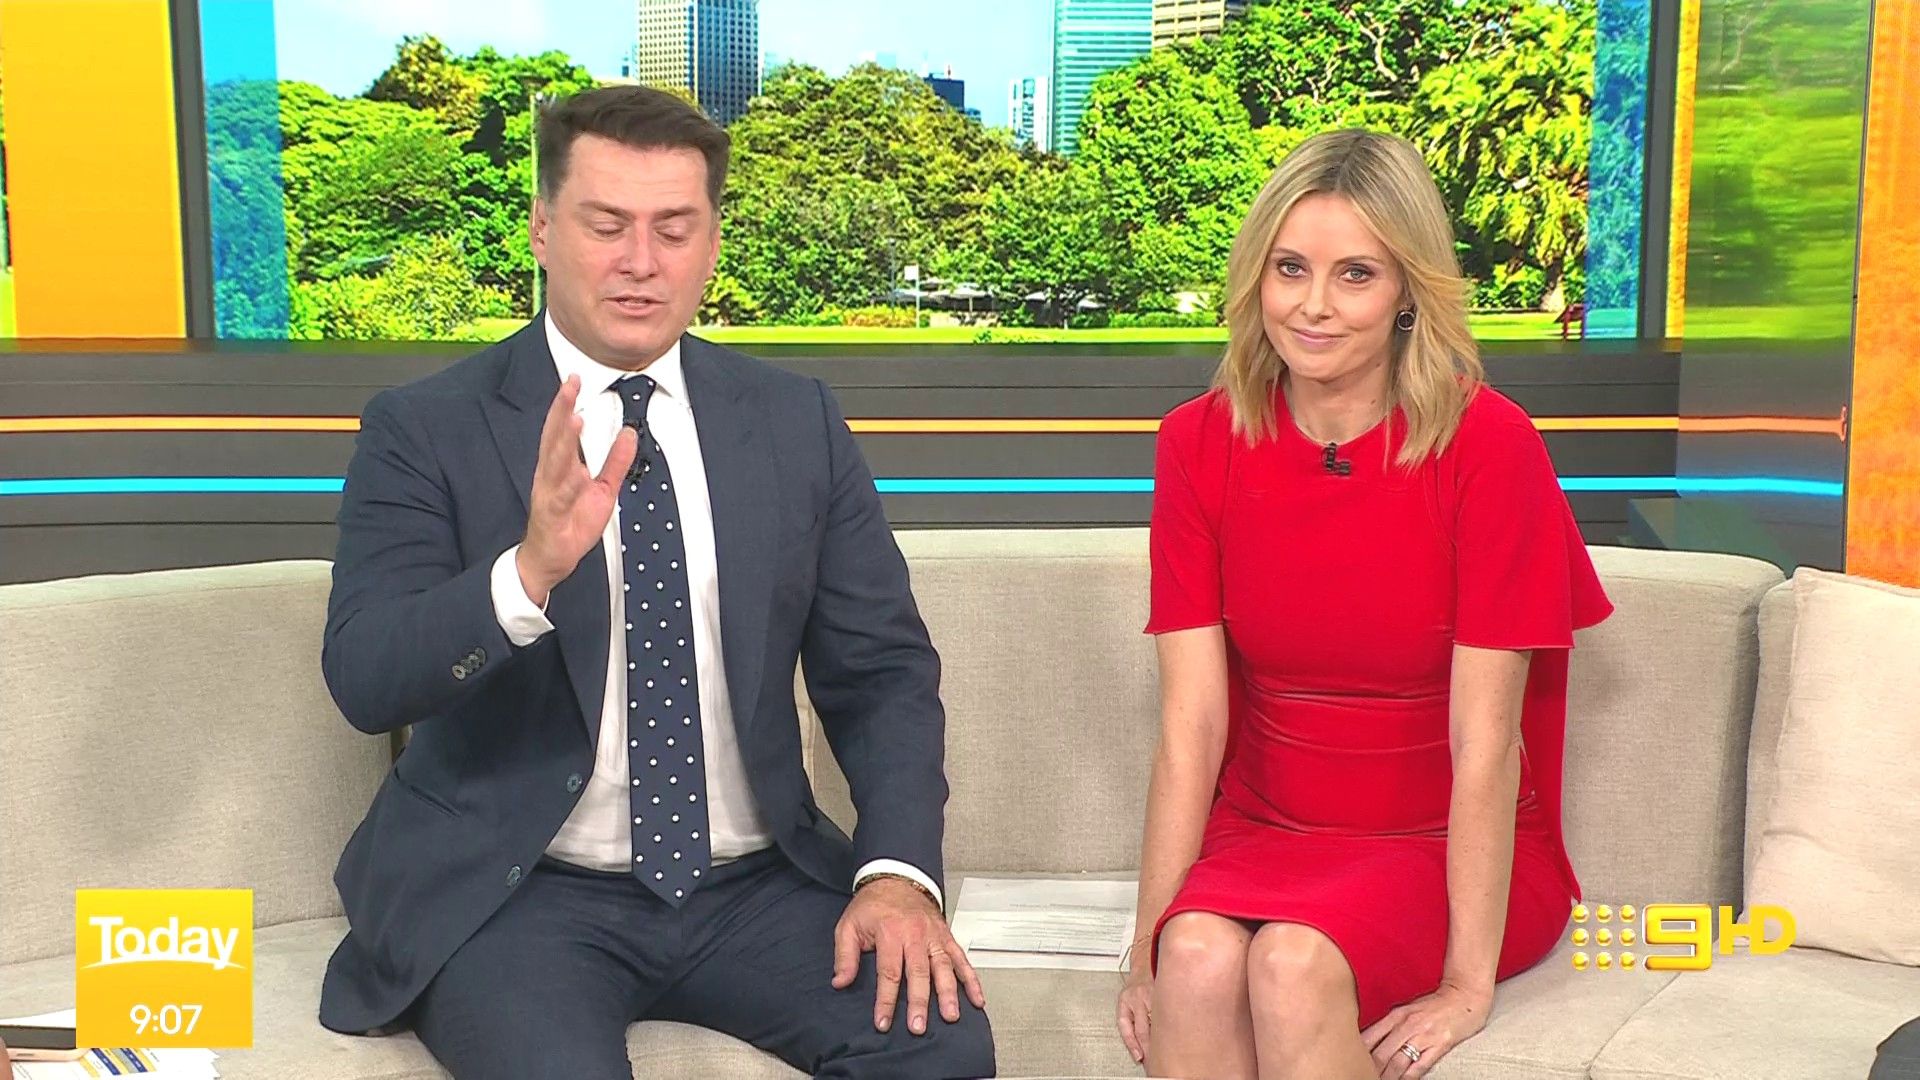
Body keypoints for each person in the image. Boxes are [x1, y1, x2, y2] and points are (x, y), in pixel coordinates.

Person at [316, 85, 995, 1080]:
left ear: (711, 243)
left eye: (673, 229)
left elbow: (882, 673)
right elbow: (366, 677)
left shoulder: (795, 420)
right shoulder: (425, 427)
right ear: (542, 229)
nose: (641, 261)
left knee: (940, 1047)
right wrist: (526, 576)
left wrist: (896, 876)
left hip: (754, 888)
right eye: (607, 226)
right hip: (519, 894)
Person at [1114, 128, 1612, 1080]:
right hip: (1267, 826)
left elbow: (1486, 742)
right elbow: (1192, 724)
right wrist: (1146, 948)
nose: (1313, 305)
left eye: (1356, 275)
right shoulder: (1196, 443)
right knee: (1196, 957)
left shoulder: (1489, 445)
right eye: (1289, 268)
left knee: (1292, 963)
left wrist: (1465, 986)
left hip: (1438, 841)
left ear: (1407, 293)